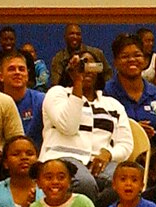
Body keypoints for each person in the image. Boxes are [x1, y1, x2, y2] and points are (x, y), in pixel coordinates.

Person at [39, 51, 131, 197]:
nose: (85, 68)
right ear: (71, 69)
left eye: (90, 64)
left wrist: (109, 154)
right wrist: (77, 83)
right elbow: (68, 127)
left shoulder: (113, 105)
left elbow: (126, 144)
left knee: (124, 183)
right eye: (81, 64)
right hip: (63, 158)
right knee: (85, 184)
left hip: (100, 162)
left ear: (98, 69)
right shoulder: (57, 94)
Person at [104, 33, 156, 144]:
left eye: (137, 55)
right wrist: (134, 131)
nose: (132, 60)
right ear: (115, 63)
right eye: (125, 56)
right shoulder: (105, 93)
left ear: (145, 60)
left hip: (154, 154)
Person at [0, 50, 45, 142]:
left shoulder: (41, 100)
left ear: (27, 75)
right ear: (1, 76)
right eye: (11, 69)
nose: (17, 72)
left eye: (21, 69)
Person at [48, 24, 107, 89]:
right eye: (71, 34)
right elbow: (56, 84)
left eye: (78, 34)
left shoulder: (96, 53)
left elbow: (107, 75)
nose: (75, 37)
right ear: (65, 37)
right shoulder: (58, 58)